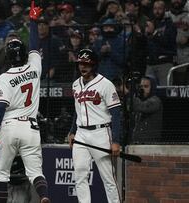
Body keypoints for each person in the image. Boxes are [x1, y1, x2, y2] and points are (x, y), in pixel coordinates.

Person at [0, 1, 51, 203]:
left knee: (2, 174)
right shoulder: (35, 67)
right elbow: (35, 45)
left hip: (9, 126)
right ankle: (43, 196)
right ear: (24, 54)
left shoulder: (5, 77)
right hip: (31, 128)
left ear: (8, 57)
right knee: (35, 172)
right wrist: (32, 21)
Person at [67, 48, 122, 203]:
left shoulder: (105, 84)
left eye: (86, 64)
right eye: (80, 64)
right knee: (79, 176)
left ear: (94, 65)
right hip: (81, 135)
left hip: (101, 133)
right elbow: (77, 110)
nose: (83, 67)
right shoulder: (75, 84)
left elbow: (116, 114)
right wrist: (72, 132)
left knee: (108, 178)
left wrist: (116, 140)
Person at [132, 76, 163, 143]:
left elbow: (142, 107)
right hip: (138, 140)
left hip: (150, 142)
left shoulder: (156, 101)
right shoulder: (139, 100)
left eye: (146, 86)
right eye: (141, 87)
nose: (142, 89)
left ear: (152, 87)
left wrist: (131, 95)